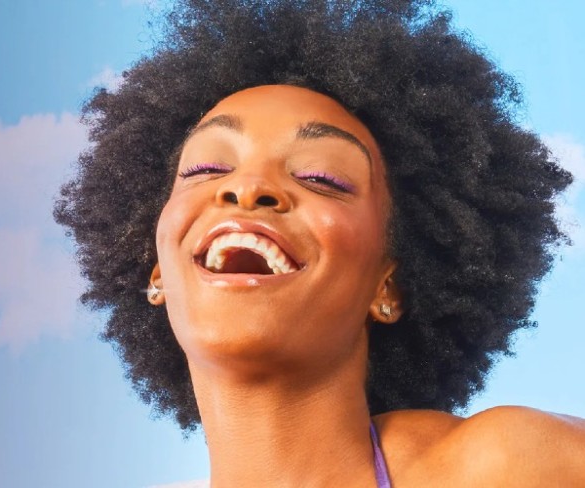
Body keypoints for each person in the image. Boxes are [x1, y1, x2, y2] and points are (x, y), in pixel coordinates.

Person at [55, 0, 585, 485]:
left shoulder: (507, 466)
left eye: (322, 177)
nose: (248, 188)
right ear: (157, 276)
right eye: (208, 167)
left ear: (389, 285)